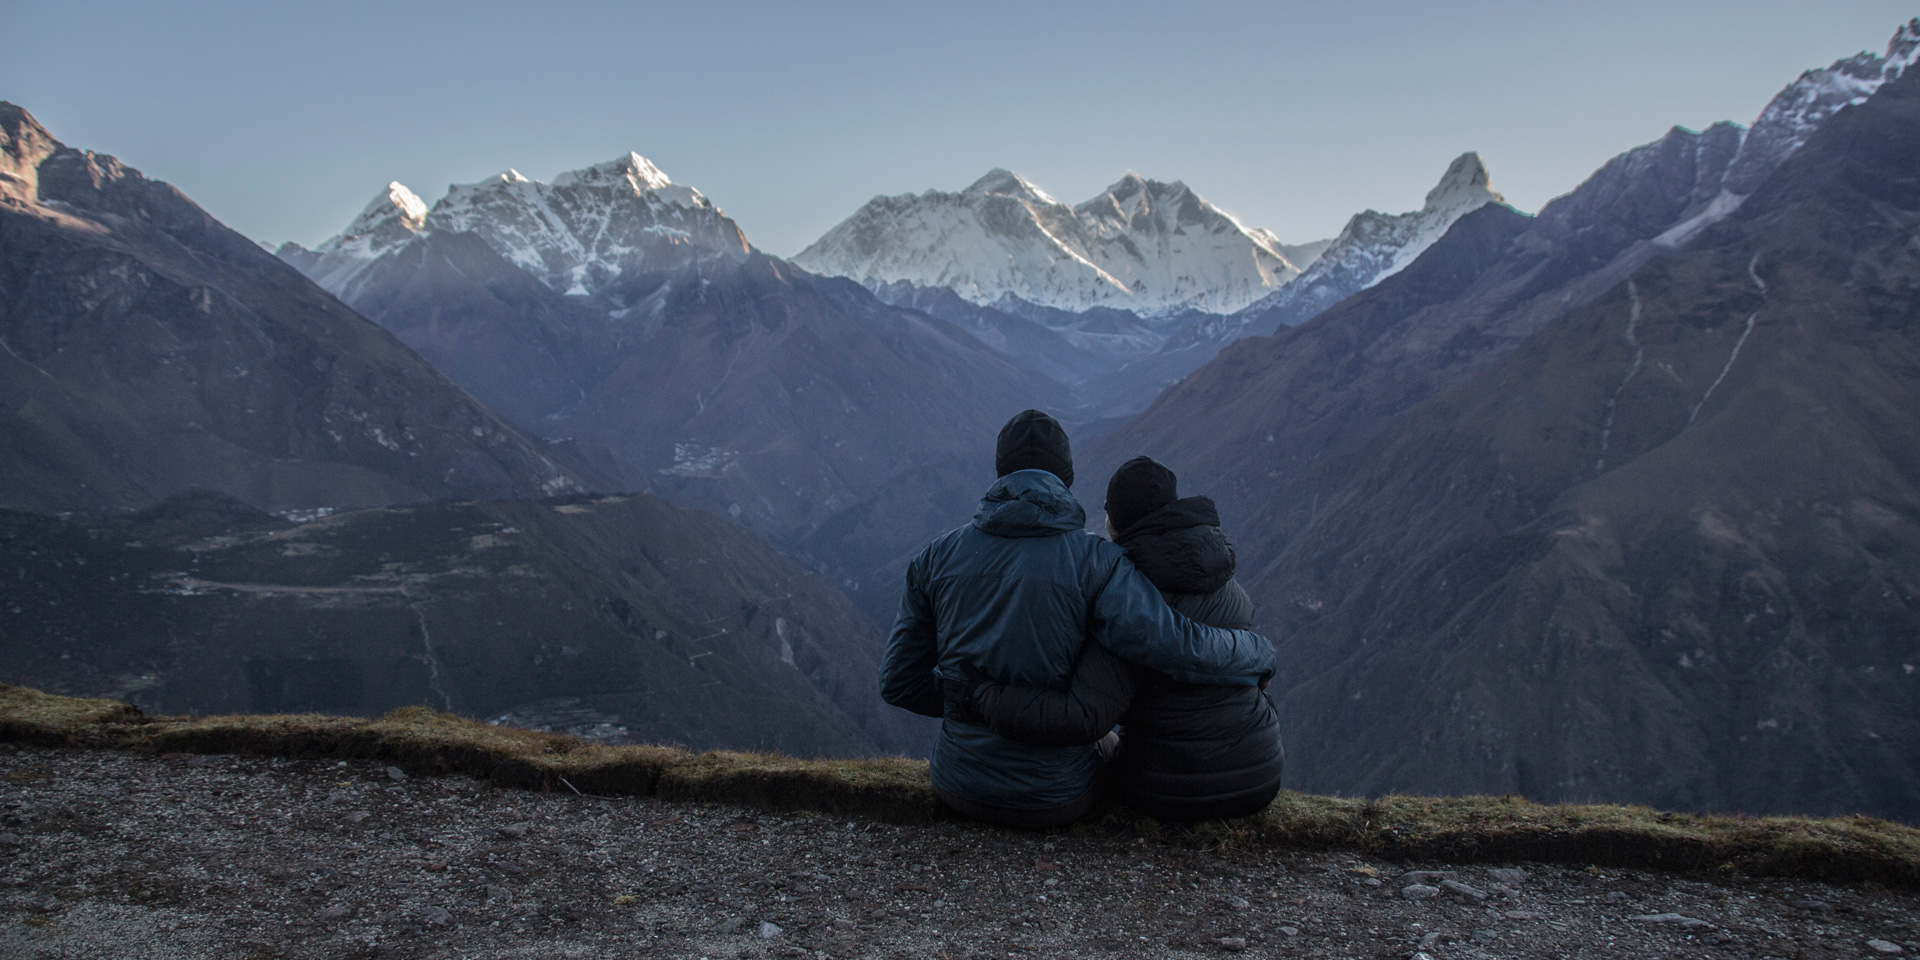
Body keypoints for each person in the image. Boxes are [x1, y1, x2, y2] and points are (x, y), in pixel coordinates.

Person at [881, 412, 1274, 828]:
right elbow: (1177, 646)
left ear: (1000, 475)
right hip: (1057, 797)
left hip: (956, 784)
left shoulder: (934, 558)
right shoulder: (1099, 564)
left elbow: (900, 683)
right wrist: (1257, 651)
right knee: (1110, 743)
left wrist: (968, 701)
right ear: (1066, 477)